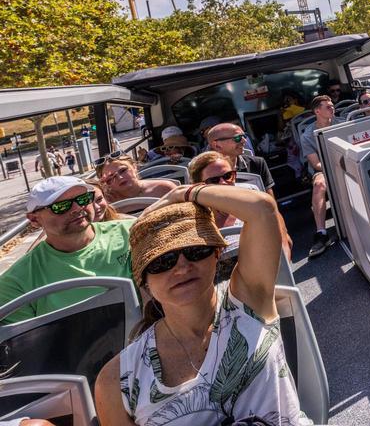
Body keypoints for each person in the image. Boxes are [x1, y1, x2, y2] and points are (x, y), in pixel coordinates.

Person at [93, 181, 309, 425]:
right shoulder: (117, 380)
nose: (182, 267)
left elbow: (262, 209)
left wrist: (183, 192)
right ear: (144, 280)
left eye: (196, 251)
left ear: (216, 254)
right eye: (163, 261)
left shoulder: (247, 304)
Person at [0, 177, 133, 324]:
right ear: (34, 220)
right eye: (61, 206)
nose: (77, 208)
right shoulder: (16, 282)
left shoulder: (131, 232)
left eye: (83, 199)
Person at [299, 95, 341, 258]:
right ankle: (322, 233)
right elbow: (316, 164)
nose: (332, 108)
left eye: (332, 105)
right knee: (319, 185)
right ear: (317, 111)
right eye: (328, 107)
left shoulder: (344, 122)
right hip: (323, 168)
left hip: (347, 163)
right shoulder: (307, 136)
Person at [205, 123, 276, 197]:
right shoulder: (204, 172)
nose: (244, 141)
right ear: (216, 145)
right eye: (237, 138)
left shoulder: (257, 163)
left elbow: (270, 200)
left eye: (244, 136)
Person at [97, 157, 179, 203]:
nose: (120, 178)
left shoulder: (164, 188)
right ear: (105, 182)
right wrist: (99, 186)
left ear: (134, 167)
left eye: (123, 171)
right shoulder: (106, 202)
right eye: (111, 177)